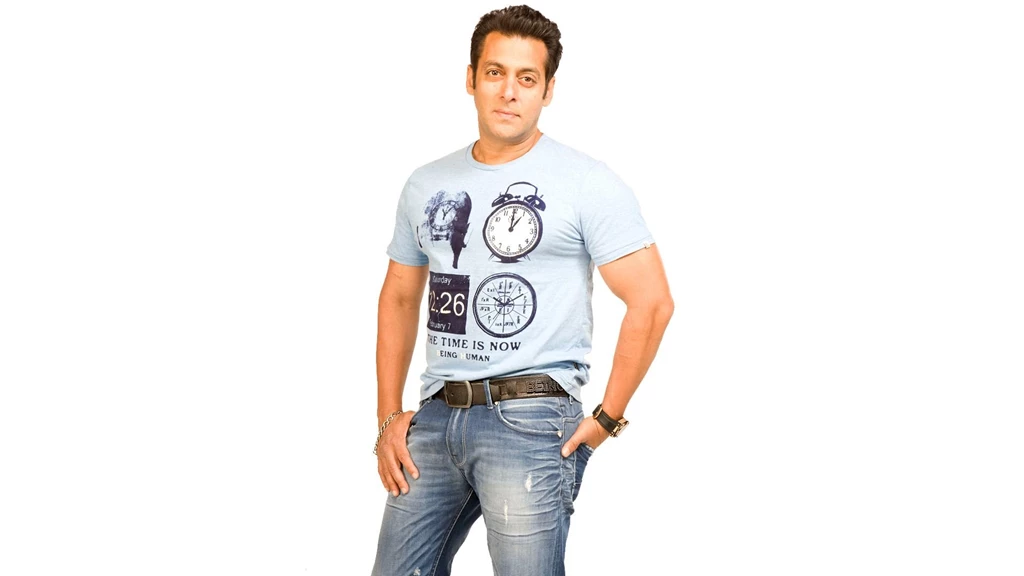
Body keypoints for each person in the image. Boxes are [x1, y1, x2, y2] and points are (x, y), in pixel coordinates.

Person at [370, 5, 674, 575]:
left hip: (531, 418)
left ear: (547, 90)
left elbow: (652, 301)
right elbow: (400, 297)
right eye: (495, 72)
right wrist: (389, 416)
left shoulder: (586, 182)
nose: (508, 91)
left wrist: (608, 418)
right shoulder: (426, 183)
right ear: (471, 78)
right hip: (435, 418)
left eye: (526, 78)